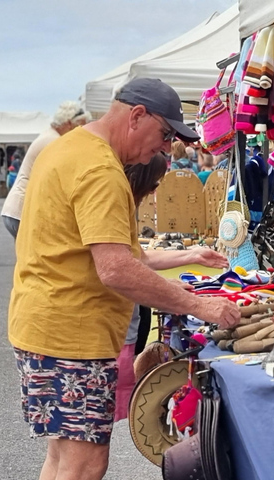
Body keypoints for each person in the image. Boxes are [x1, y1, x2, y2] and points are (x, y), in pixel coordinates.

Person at [8, 78, 241, 480]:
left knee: (63, 458)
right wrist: (200, 305)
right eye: (165, 133)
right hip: (72, 337)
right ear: (137, 115)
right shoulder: (101, 169)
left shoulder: (67, 148)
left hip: (42, 326)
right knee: (84, 464)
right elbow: (115, 268)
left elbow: (109, 255)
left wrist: (175, 278)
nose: (167, 147)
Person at [115, 154, 229, 421]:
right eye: (155, 185)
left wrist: (193, 256)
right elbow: (121, 269)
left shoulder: (124, 204)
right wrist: (187, 299)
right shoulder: (116, 203)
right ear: (139, 178)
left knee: (96, 439)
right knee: (91, 444)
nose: (156, 192)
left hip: (119, 328)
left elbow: (138, 259)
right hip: (111, 331)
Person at [1, 101, 87, 238]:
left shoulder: (49, 136)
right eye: (80, 125)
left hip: (16, 209)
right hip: (23, 211)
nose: (82, 129)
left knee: (27, 256)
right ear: (69, 123)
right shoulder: (54, 142)